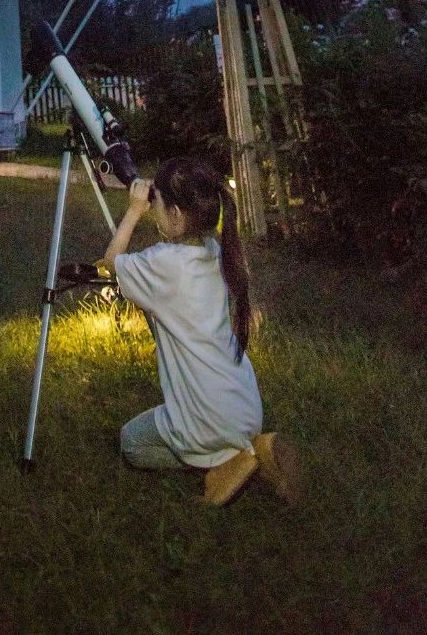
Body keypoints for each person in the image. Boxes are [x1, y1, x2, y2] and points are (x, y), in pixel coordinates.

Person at [101, 157, 299, 506]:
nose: (152, 210)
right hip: (246, 409)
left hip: (205, 419)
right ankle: (252, 447)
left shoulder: (163, 264)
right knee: (202, 423)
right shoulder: (217, 252)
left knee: (131, 442)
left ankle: (225, 464)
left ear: (175, 214)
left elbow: (110, 262)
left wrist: (132, 210)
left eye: (156, 204)